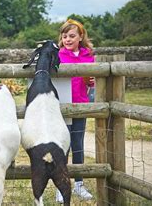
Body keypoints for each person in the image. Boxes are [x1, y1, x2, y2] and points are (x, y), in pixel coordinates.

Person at [56, 18, 95, 203]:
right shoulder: (58, 55)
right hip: (62, 106)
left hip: (80, 104)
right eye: (65, 36)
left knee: (78, 144)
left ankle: (79, 184)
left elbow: (90, 80)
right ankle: (60, 185)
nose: (68, 39)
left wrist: (91, 82)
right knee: (64, 145)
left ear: (81, 36)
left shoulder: (88, 55)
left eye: (72, 36)